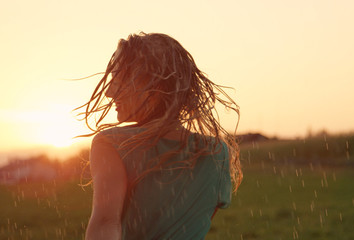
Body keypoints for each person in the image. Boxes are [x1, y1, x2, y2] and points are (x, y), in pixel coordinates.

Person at [78, 32, 242, 239]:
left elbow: (105, 223)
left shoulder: (113, 144)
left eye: (119, 79)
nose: (109, 92)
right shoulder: (216, 153)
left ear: (153, 86)